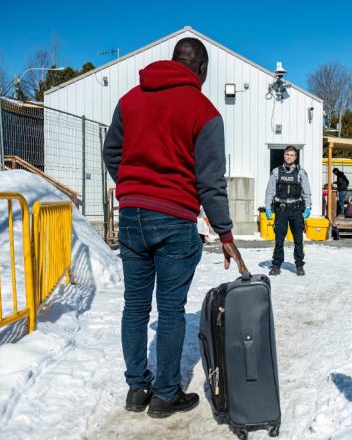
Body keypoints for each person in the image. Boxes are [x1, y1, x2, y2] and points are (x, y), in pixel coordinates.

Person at [102, 37, 248, 419]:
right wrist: (226, 234)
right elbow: (210, 182)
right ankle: (165, 395)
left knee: (135, 306)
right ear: (201, 70)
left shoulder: (130, 100)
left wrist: (132, 187)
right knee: (169, 310)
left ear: (171, 61)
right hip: (174, 219)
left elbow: (111, 152)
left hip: (132, 215)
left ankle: (137, 389)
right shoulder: (205, 111)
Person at [264, 146, 312, 276]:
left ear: (295, 157)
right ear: (284, 155)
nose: (289, 157)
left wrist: (308, 207)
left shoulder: (301, 173)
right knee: (279, 239)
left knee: (298, 239)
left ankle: (299, 264)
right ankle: (276, 264)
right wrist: (268, 207)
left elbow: (306, 192)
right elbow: (270, 191)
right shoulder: (276, 172)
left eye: (292, 155)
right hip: (281, 210)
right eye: (287, 154)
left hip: (296, 210)